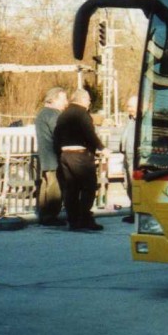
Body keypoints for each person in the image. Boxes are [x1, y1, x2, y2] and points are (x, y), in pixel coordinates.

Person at [53, 89, 104, 231]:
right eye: (88, 100)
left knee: (71, 189)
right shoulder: (82, 114)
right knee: (89, 187)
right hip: (80, 155)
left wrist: (60, 153)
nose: (89, 103)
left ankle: (73, 220)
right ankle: (85, 218)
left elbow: (56, 136)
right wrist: (101, 148)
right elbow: (89, 133)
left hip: (65, 155)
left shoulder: (63, 115)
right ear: (83, 100)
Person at [34, 87, 68, 226]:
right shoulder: (53, 114)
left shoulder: (41, 113)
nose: (66, 102)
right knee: (55, 187)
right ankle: (51, 216)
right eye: (63, 98)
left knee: (46, 185)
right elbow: (59, 133)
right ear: (53, 99)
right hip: (54, 156)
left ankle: (43, 214)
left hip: (45, 156)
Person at [119, 95, 138, 224]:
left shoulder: (142, 120)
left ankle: (136, 212)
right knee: (128, 185)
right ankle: (133, 210)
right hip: (127, 156)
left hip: (135, 157)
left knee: (134, 185)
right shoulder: (130, 119)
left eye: (130, 106)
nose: (128, 108)